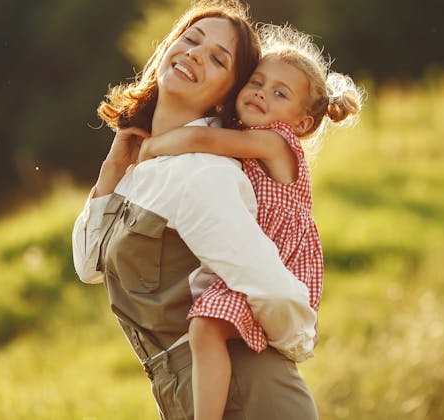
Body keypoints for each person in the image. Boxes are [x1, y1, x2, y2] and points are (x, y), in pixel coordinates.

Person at [72, 0, 319, 419]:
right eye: (191, 39)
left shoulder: (204, 174)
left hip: (252, 401)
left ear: (228, 95)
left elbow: (274, 289)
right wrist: (111, 172)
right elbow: (89, 264)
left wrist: (295, 345)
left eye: (219, 59)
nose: (195, 55)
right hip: (184, 397)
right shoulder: (141, 167)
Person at [137, 24, 363, 419]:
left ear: (301, 124)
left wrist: (154, 147)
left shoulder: (274, 141)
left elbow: (205, 141)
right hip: (260, 260)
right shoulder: (249, 139)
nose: (261, 92)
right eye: (256, 82)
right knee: (208, 330)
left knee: (206, 328)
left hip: (280, 260)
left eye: (279, 93)